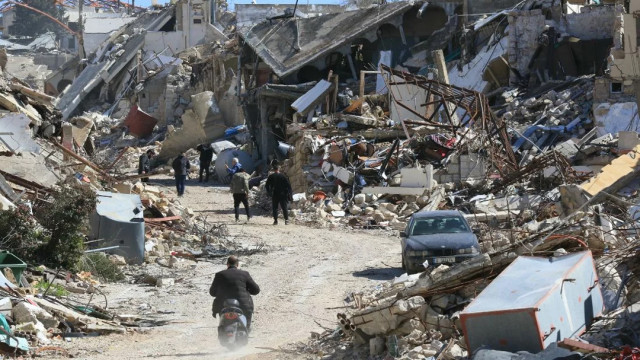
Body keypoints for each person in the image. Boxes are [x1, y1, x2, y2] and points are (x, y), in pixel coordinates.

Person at [210, 255, 260, 330]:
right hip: (243, 304)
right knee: (247, 323)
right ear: (237, 264)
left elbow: (212, 292)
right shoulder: (245, 274)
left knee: (222, 323)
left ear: (227, 264)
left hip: (223, 305)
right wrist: (247, 290)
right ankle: (247, 331)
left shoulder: (219, 275)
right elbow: (256, 290)